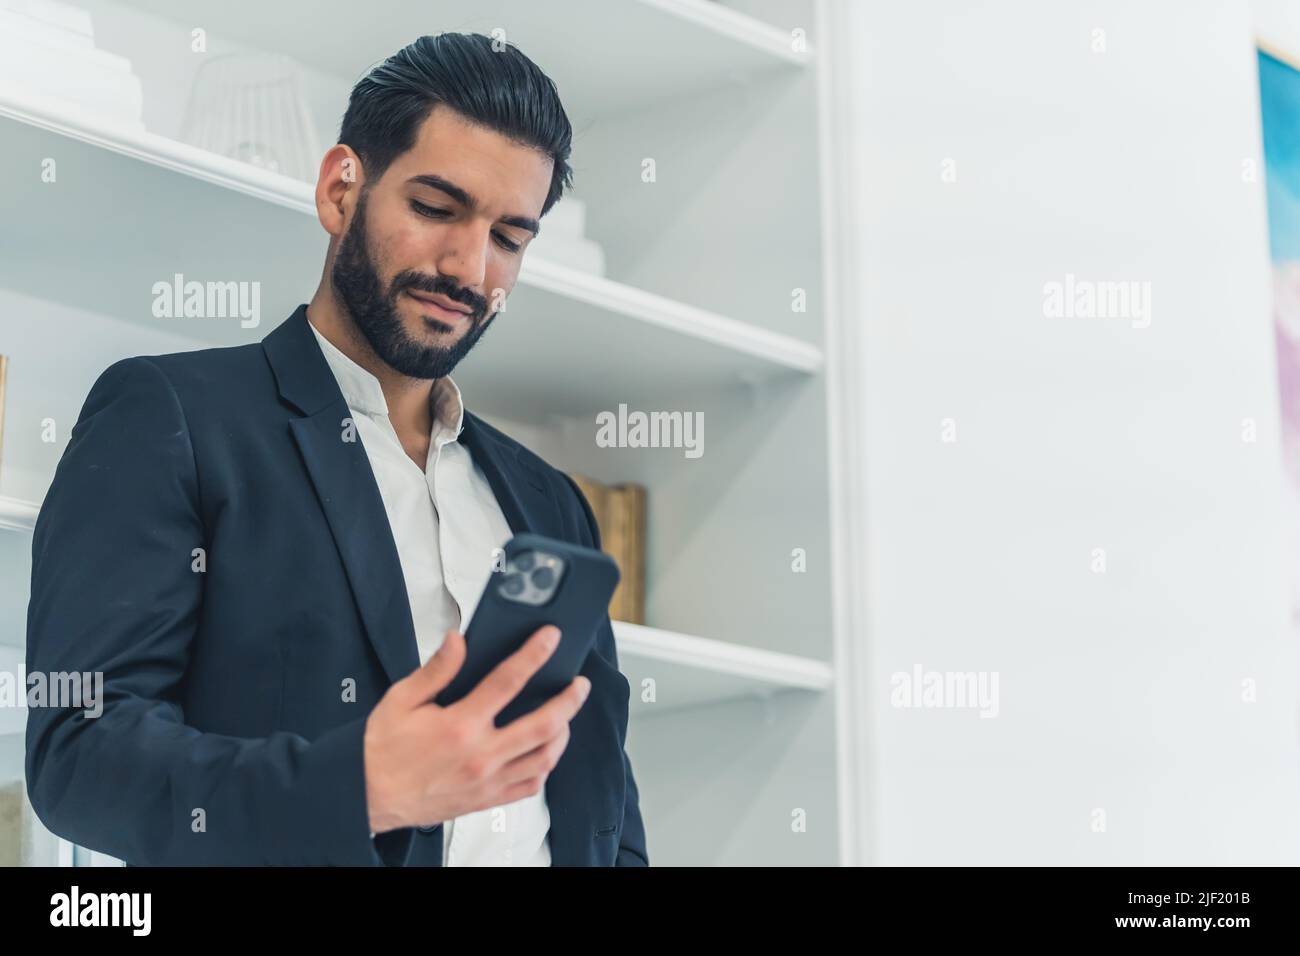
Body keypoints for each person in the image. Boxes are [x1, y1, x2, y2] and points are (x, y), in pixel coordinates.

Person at [24, 32, 648, 867]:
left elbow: (602, 799)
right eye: (436, 207)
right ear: (339, 190)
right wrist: (360, 786)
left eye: (509, 236)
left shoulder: (549, 502)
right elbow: (79, 754)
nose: (470, 266)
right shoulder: (170, 417)